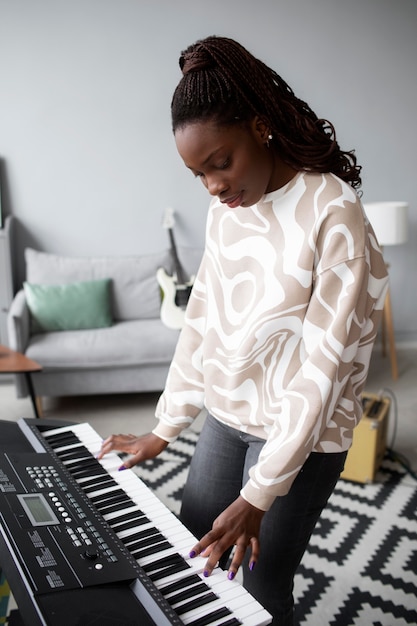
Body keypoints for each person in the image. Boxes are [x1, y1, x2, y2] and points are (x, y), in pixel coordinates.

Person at [98, 36, 389, 625]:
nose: (212, 186)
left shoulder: (332, 210)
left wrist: (260, 494)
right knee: (196, 557)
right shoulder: (225, 209)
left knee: (257, 591)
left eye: (220, 163)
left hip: (301, 432)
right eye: (197, 173)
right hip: (228, 414)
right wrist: (165, 427)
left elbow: (323, 366)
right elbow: (203, 317)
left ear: (260, 127)